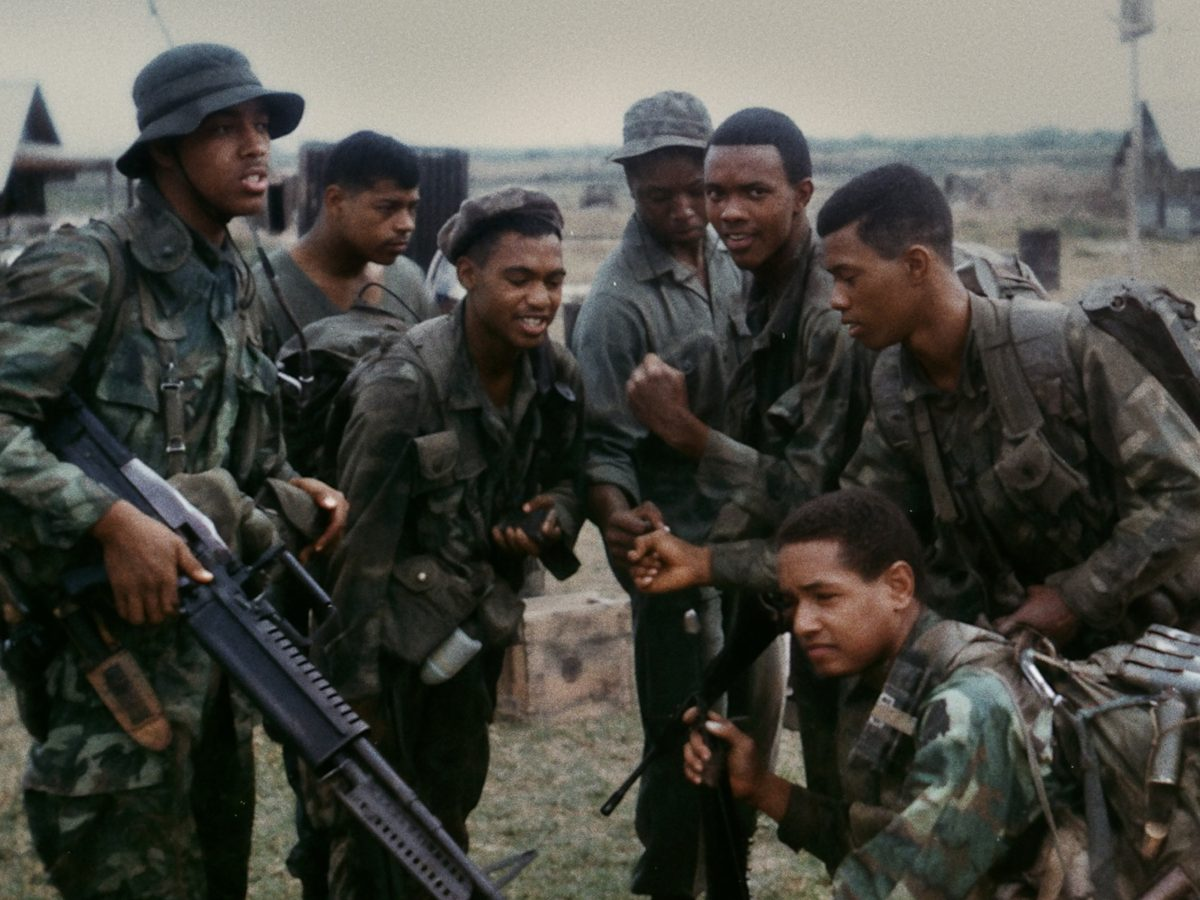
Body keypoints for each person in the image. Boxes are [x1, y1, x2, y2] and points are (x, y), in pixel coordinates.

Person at [0, 43, 347, 899]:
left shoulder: (233, 278)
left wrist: (293, 487)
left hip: (217, 660)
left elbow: (232, 451)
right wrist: (109, 520)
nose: (256, 145)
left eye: (261, 125)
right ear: (163, 150)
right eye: (224, 128)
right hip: (106, 671)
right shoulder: (87, 267)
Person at [315, 187, 584, 898]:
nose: (541, 299)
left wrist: (554, 512)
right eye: (518, 278)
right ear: (467, 274)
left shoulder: (553, 373)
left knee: (445, 823)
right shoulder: (404, 385)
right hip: (388, 656)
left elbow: (572, 473)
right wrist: (355, 701)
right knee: (371, 847)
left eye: (553, 280)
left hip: (468, 641)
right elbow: (356, 555)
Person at [819, 163, 1200, 655]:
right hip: (1034, 656)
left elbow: (1187, 491)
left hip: (1164, 650)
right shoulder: (896, 386)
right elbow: (870, 526)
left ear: (915, 265)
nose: (836, 300)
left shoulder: (1060, 346)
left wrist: (1075, 599)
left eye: (849, 278)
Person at [683, 488, 1058, 898]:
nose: (802, 623)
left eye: (825, 597)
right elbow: (885, 843)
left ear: (898, 586)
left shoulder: (971, 703)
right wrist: (759, 785)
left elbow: (904, 885)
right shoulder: (901, 673)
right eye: (791, 602)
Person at [567, 90, 752, 899]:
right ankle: (670, 881)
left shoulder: (737, 258)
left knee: (748, 735)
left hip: (752, 541)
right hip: (676, 558)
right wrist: (616, 516)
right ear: (630, 187)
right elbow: (602, 448)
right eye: (658, 196)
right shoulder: (615, 305)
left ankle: (729, 878)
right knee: (682, 741)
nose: (682, 210)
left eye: (696, 190)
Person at [625, 107, 873, 591]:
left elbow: (811, 497)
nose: (729, 213)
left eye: (755, 193)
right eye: (715, 193)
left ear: (801, 195)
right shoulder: (757, 283)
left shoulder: (829, 316)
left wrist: (687, 433)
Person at [255, 128, 439, 359]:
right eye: (387, 207)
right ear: (336, 200)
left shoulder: (408, 282)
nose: (406, 224)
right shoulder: (263, 294)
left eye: (412, 208)